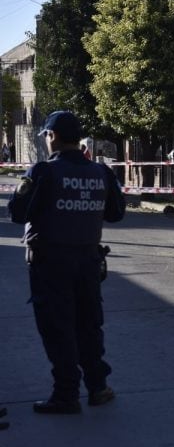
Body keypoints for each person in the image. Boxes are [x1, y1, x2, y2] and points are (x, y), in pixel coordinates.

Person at [7, 110, 125, 415]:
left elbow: (18, 213)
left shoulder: (44, 172)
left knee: (58, 327)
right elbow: (115, 213)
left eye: (46, 136)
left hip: (51, 263)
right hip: (88, 261)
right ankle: (98, 387)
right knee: (88, 325)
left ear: (53, 136)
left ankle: (66, 394)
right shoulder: (102, 173)